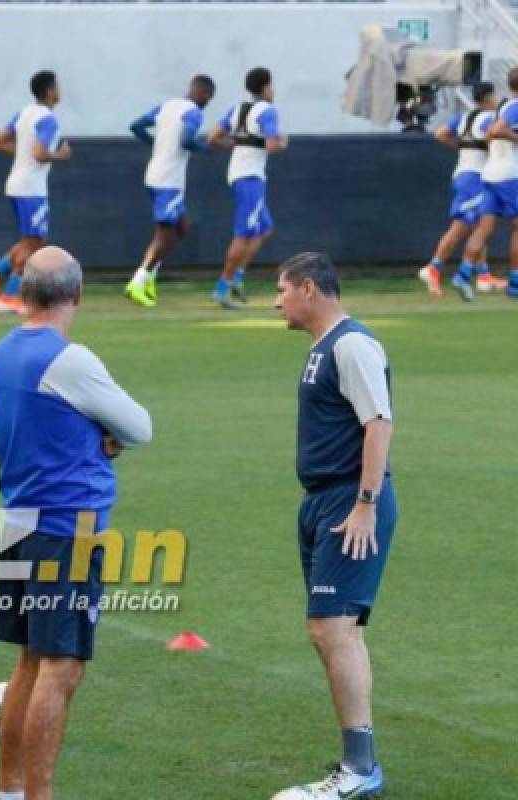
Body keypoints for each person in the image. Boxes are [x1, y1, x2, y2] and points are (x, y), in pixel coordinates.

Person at [0, 246, 152, 800]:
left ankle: (8, 793)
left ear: (26, 292)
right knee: (61, 669)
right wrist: (108, 438)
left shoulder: (1, 353)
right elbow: (139, 426)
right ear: (76, 295)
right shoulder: (71, 360)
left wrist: (94, 435)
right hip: (68, 529)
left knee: (29, 662)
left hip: (19, 521)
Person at [272, 252, 397, 800]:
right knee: (335, 630)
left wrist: (366, 503)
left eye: (281, 290)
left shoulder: (351, 344)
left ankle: (360, 769)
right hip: (323, 502)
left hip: (350, 502)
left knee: (333, 628)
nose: (276, 301)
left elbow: (379, 424)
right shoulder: (321, 349)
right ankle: (359, 762)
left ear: (307, 288)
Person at [0, 70, 71, 314]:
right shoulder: (48, 119)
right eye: (58, 86)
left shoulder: (25, 113)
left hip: (17, 183)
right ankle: (9, 296)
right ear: (50, 91)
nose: (60, 90)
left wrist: (22, 154)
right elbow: (40, 154)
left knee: (32, 241)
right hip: (32, 188)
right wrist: (59, 156)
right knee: (35, 246)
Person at [126, 75, 215, 308]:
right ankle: (138, 281)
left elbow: (136, 126)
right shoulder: (194, 113)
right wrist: (206, 148)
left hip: (155, 174)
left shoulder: (167, 106)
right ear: (203, 94)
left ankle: (150, 277)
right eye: (208, 98)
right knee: (164, 236)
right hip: (169, 180)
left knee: (181, 228)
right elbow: (186, 140)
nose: (207, 103)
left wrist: (155, 144)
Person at [207, 67, 288, 309]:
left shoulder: (238, 109)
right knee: (243, 234)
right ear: (265, 88)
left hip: (238, 173)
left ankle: (237, 278)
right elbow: (273, 146)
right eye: (271, 86)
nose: (273, 91)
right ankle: (222, 287)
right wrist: (283, 143)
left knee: (264, 228)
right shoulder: (268, 111)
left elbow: (212, 138)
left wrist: (237, 146)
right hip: (250, 177)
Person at [420, 83, 506, 298]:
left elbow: (441, 134)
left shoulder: (464, 117)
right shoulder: (488, 118)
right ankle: (434, 267)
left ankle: (484, 275)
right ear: (488, 97)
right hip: (475, 177)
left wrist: (461, 147)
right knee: (461, 227)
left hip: (462, 173)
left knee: (479, 226)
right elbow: (493, 137)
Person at [461, 68, 518, 301]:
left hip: (490, 173)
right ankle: (515, 282)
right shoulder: (514, 106)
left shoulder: (501, 106)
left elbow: (488, 135)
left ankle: (463, 274)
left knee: (484, 229)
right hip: (509, 174)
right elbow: (496, 131)